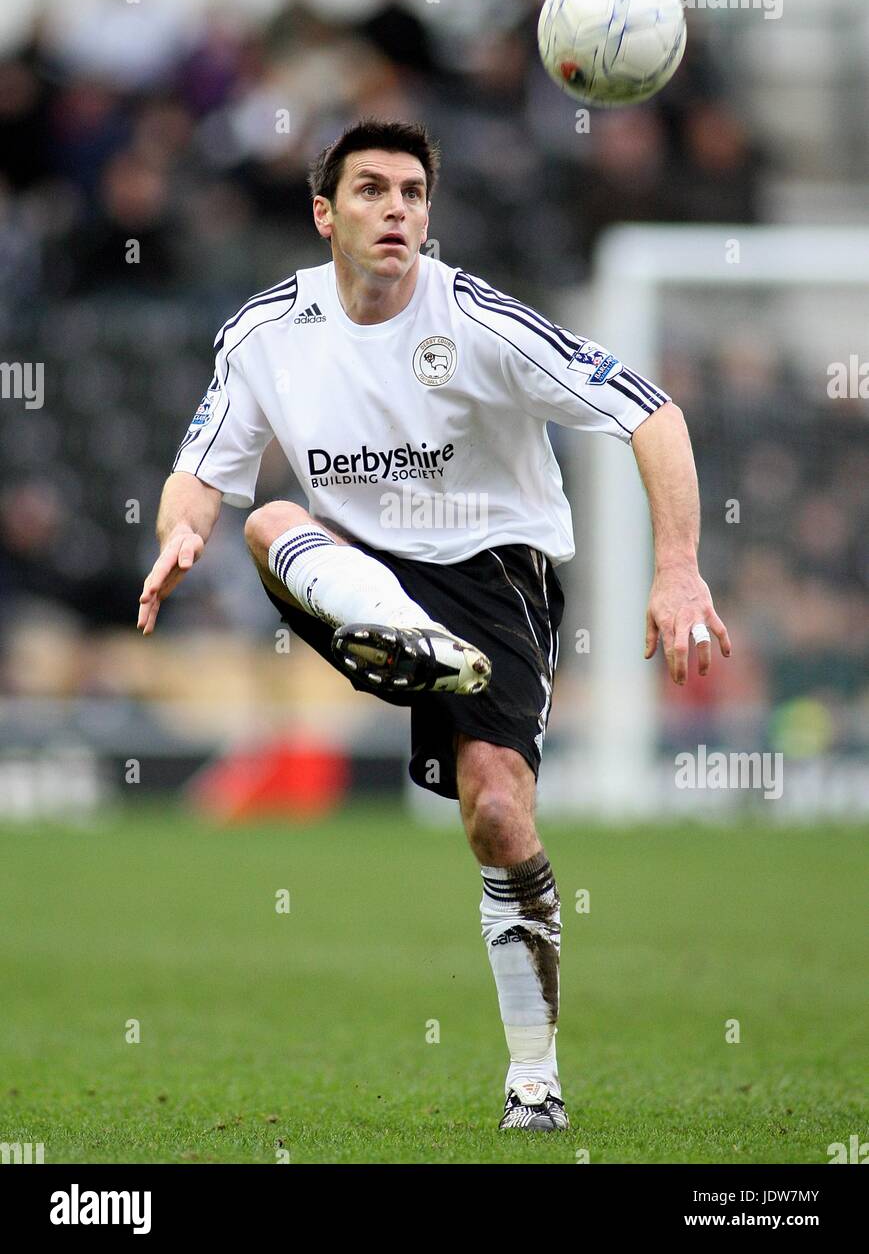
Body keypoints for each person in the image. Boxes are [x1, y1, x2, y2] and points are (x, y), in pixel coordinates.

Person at [138, 118, 730, 1132]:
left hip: (493, 571)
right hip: (361, 571)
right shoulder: (267, 330)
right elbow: (201, 474)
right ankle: (405, 643)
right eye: (370, 190)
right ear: (325, 214)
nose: (396, 210)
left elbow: (650, 411)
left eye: (412, 193)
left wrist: (676, 568)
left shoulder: (479, 321)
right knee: (271, 518)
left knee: (496, 816)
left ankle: (533, 1079)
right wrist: (178, 535)